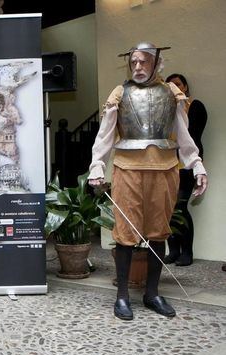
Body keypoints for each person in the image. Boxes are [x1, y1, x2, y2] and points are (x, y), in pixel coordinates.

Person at [88, 42, 208, 321]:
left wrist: (197, 164)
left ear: (156, 63)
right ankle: (122, 297)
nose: (138, 67)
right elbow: (105, 136)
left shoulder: (172, 93)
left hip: (165, 169)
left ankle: (152, 293)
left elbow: (183, 135)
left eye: (144, 62)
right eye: (134, 62)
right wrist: (97, 166)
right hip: (127, 169)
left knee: (158, 232)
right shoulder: (120, 93)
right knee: (126, 234)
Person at [163, 74, 207, 267]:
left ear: (186, 86)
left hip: (187, 167)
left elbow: (191, 135)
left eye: (178, 84)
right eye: (170, 85)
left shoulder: (195, 106)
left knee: (179, 208)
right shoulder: (166, 110)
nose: (174, 87)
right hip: (167, 166)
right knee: (167, 209)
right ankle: (173, 250)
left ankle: (187, 252)